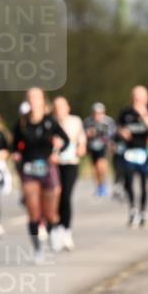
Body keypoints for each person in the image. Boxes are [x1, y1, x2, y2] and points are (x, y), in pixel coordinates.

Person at [12, 87, 69, 262]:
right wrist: (15, 154)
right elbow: (14, 145)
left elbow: (65, 140)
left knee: (51, 213)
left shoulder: (50, 121)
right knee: (34, 212)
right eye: (30, 97)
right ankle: (38, 249)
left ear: (43, 100)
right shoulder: (22, 123)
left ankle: (53, 229)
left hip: (47, 167)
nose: (33, 101)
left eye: (36, 97)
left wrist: (56, 153)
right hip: (29, 169)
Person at [117, 86, 148, 229]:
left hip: (145, 152)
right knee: (129, 182)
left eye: (141, 96)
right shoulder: (126, 112)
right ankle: (132, 210)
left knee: (144, 184)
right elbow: (118, 127)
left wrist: (145, 116)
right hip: (130, 152)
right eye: (136, 96)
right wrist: (122, 132)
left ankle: (143, 211)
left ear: (146, 98)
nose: (138, 99)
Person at [52, 96, 86, 250]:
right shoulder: (50, 122)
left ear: (68, 108)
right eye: (56, 107)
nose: (59, 110)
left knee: (66, 195)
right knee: (55, 195)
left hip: (71, 163)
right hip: (55, 164)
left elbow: (81, 141)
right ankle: (57, 227)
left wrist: (81, 148)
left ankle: (66, 230)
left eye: (62, 107)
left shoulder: (76, 121)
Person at [83, 102, 116, 197]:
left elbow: (113, 134)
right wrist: (88, 134)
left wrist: (110, 143)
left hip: (104, 146)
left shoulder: (108, 121)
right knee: (95, 169)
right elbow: (83, 134)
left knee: (101, 166)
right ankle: (99, 187)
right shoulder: (88, 122)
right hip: (92, 147)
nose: (97, 115)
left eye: (99, 113)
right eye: (95, 113)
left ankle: (103, 184)